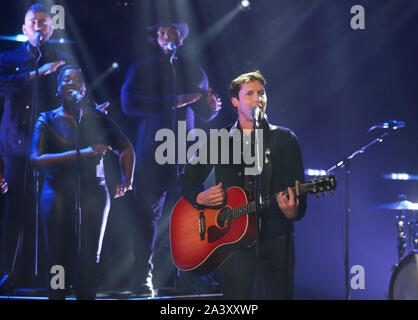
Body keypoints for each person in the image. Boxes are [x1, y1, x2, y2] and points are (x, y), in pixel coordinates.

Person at [178, 70, 307, 299]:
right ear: (235, 102)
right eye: (249, 94)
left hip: (276, 238)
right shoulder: (219, 139)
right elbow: (187, 179)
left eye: (261, 93)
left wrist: (293, 210)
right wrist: (199, 198)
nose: (258, 98)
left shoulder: (285, 139)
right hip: (233, 242)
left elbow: (299, 196)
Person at [121, 21, 221, 295]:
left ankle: (194, 273)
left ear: (182, 38)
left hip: (187, 151)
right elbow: (128, 104)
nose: (170, 35)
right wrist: (174, 100)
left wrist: (212, 108)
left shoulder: (193, 70)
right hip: (152, 150)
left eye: (175, 32)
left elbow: (203, 111)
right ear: (156, 38)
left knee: (194, 211)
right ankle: (143, 277)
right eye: (164, 31)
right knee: (147, 216)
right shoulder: (141, 68)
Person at [30, 65, 135, 300]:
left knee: (89, 257)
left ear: (85, 89)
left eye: (78, 80)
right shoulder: (46, 118)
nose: (71, 83)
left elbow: (126, 147)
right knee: (57, 257)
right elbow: (35, 159)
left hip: (93, 192)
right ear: (58, 88)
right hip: (56, 192)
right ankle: (57, 297)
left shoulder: (97, 118)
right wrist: (83, 152)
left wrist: (127, 179)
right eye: (66, 80)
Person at [0, 3, 75, 290]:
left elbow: (73, 94)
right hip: (16, 144)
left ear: (52, 28)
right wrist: (34, 74)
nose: (39, 27)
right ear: (24, 28)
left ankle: (56, 277)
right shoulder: (9, 57)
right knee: (16, 209)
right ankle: (12, 274)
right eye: (34, 22)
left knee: (56, 209)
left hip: (54, 145)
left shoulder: (63, 60)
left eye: (44, 22)